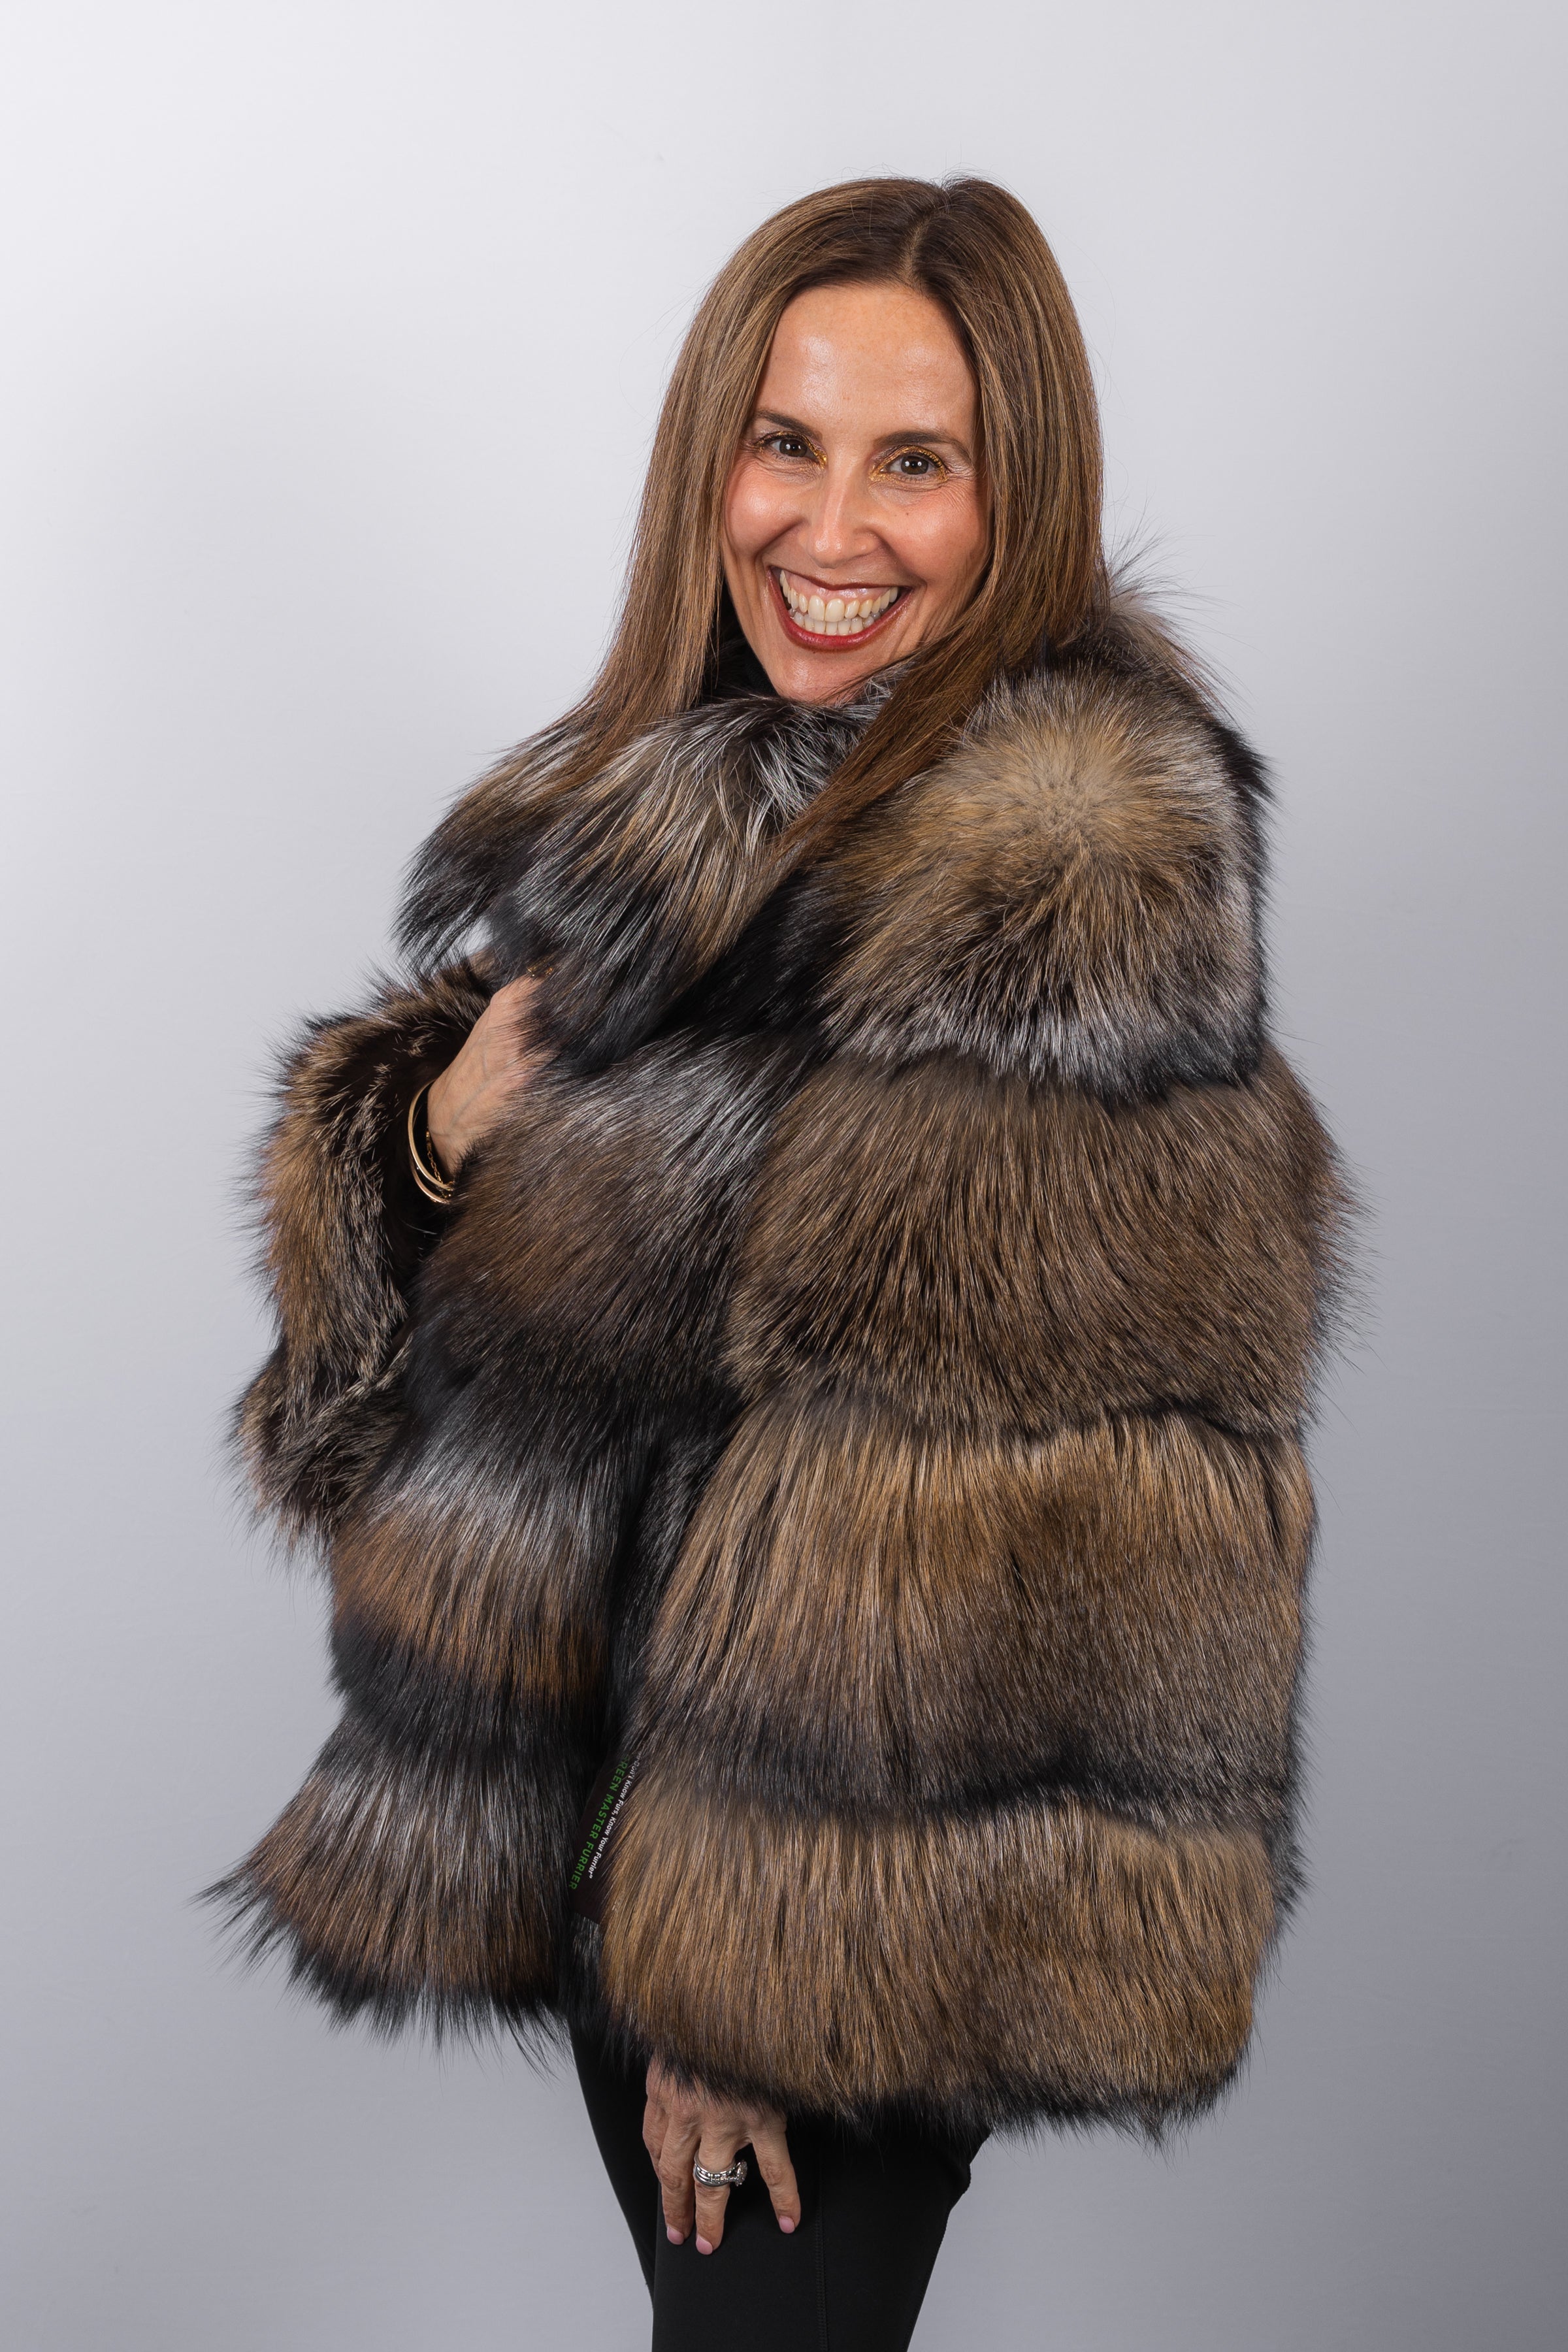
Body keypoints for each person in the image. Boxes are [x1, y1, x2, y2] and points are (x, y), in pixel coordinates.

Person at [213, 176, 1345, 2349]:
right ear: (707, 465)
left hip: (838, 1902)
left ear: (1019, 495)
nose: (830, 528)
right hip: (631, 1843)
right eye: (786, 443)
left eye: (916, 460)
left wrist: (746, 1982)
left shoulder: (1062, 869)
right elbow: (415, 1388)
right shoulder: (701, 817)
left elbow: (941, 1496)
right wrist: (423, 1135)